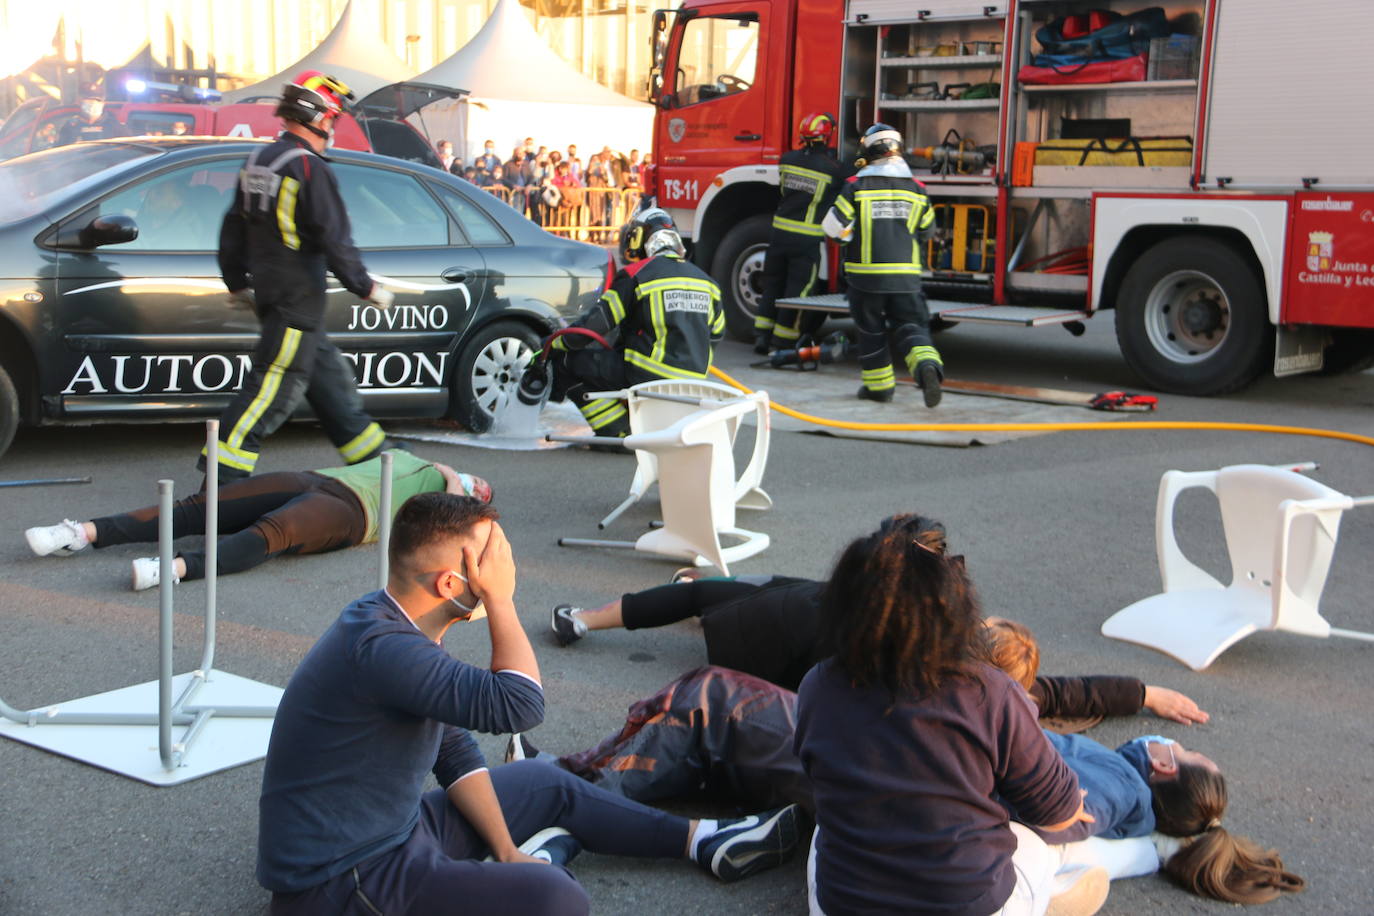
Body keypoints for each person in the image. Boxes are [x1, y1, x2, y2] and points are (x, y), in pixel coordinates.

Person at [256, 492, 802, 914]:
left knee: (547, 782)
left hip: (394, 832)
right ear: (452, 583)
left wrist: (506, 847)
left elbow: (452, 747)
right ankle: (534, 866)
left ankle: (705, 841)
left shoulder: (389, 621)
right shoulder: (384, 648)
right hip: (343, 879)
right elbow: (520, 704)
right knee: (556, 899)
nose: (504, 567)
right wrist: (501, 599)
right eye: (493, 558)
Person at [794, 514, 1102, 915]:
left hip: (846, 905)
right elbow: (1058, 814)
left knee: (823, 836)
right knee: (1031, 845)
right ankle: (1045, 897)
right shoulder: (989, 691)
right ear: (952, 603)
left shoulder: (817, 687)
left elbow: (815, 777)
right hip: (967, 904)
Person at [209, 71, 395, 483]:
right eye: (332, 120)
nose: (331, 129)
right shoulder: (310, 169)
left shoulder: (261, 160)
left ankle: (381, 467)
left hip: (278, 296)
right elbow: (334, 236)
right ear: (316, 117)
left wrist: (235, 279)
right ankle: (220, 483)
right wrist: (365, 286)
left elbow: (233, 225)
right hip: (298, 301)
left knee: (332, 391)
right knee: (271, 391)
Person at [25, 449, 487, 589]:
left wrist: (457, 484)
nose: (476, 483)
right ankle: (81, 533)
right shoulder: (416, 459)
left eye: (481, 491)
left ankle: (175, 569)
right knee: (200, 507)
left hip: (351, 513)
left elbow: (456, 516)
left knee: (272, 534)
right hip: (315, 478)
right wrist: (447, 469)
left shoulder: (450, 501)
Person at [545, 207, 724, 439]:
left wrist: (554, 344)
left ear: (639, 239)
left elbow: (595, 325)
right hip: (693, 382)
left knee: (569, 362)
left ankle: (617, 430)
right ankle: (635, 418)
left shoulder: (636, 275)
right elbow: (716, 335)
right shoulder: (708, 282)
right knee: (612, 357)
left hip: (646, 376)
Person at [822, 122, 942, 407]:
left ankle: (880, 388)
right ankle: (927, 367)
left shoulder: (856, 187)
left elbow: (831, 227)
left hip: (866, 279)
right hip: (906, 278)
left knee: (871, 331)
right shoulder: (917, 189)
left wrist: (847, 238)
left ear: (870, 151)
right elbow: (927, 231)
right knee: (912, 325)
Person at [753, 112, 845, 355]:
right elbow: (844, 182)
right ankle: (783, 341)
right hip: (806, 240)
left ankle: (762, 336)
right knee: (798, 290)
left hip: (779, 235)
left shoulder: (787, 160)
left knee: (772, 284)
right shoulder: (832, 168)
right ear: (826, 137)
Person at [55, 86, 126, 146]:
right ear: (79, 102)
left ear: (103, 103)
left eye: (97, 99)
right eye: (87, 99)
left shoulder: (113, 124)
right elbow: (60, 149)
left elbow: (126, 149)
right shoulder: (70, 125)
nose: (92, 103)